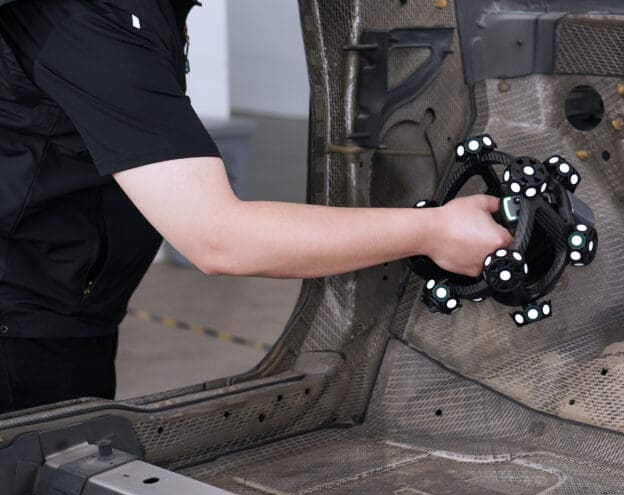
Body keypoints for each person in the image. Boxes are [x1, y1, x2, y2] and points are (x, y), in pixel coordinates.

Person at [0, 0, 511, 414]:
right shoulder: (89, 22)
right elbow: (218, 238)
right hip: (22, 330)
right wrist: (431, 231)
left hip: (70, 312)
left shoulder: (147, 14)